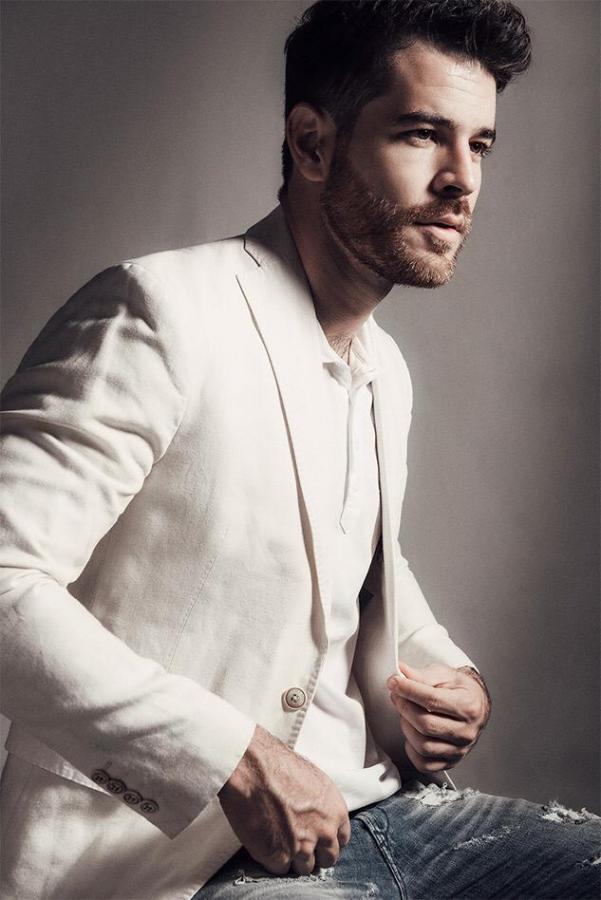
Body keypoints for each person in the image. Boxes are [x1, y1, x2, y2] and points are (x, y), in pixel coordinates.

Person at [0, 1, 598, 898]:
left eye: (478, 145)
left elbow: (350, 566)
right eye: (421, 134)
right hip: (176, 858)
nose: (460, 180)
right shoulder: (159, 313)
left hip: (387, 812)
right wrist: (231, 758)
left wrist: (449, 673)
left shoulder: (382, 367)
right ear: (312, 143)